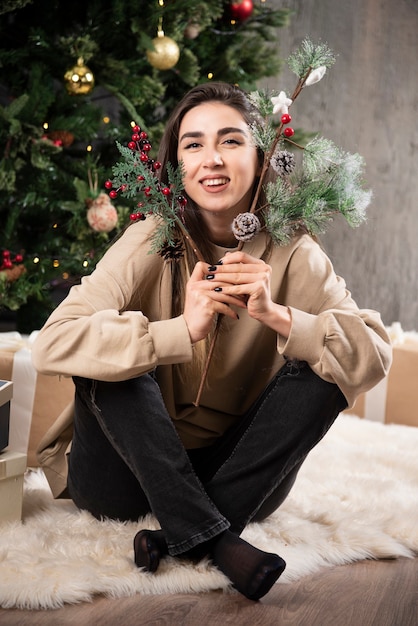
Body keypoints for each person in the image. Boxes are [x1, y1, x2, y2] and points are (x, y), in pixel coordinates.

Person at [32, 82, 392, 602]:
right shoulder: (151, 238)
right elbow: (53, 343)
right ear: (177, 164)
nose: (212, 159)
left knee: (324, 365)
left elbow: (374, 353)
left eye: (230, 140)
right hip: (123, 480)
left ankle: (183, 532)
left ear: (261, 155)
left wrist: (279, 315)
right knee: (113, 362)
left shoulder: (295, 250)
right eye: (193, 145)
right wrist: (178, 332)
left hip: (239, 479)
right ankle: (219, 542)